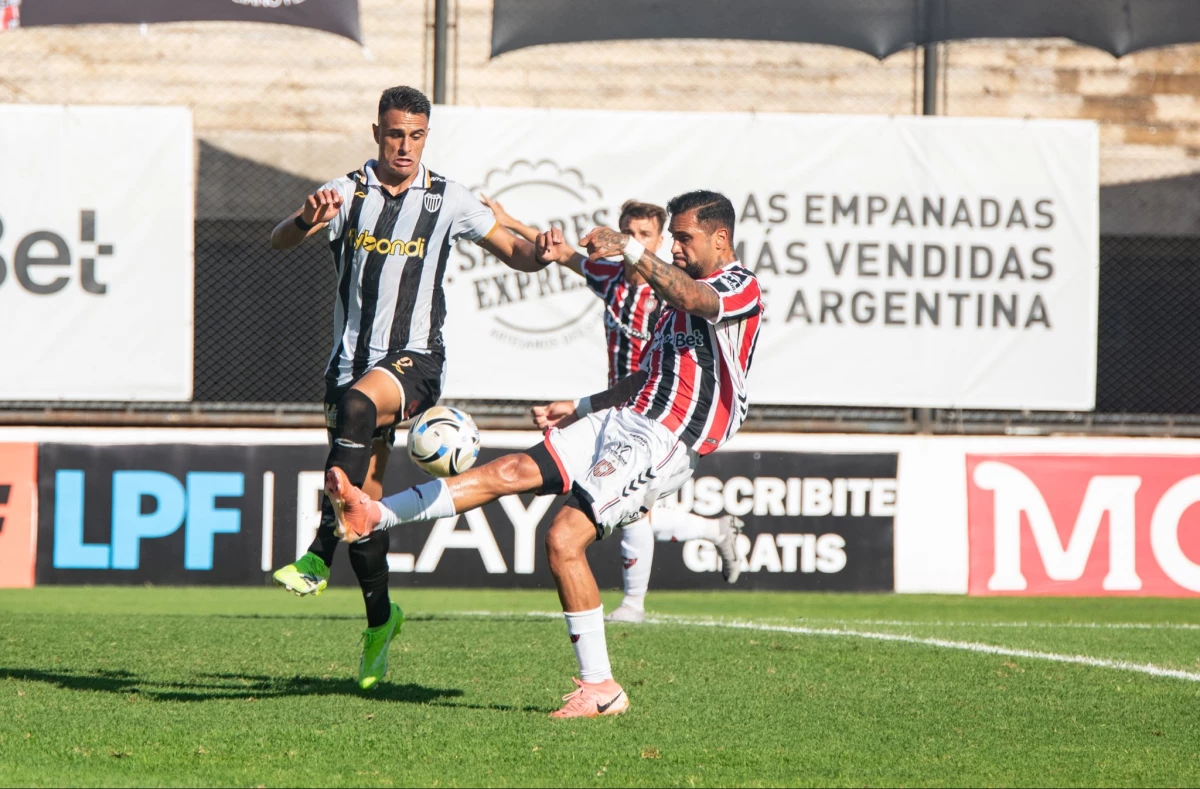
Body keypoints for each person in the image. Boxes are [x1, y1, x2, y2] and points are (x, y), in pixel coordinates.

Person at [325, 190, 763, 717]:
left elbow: (696, 299)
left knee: (562, 539)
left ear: (720, 238)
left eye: (684, 239)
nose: (675, 248)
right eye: (671, 239)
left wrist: (627, 246)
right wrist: (578, 406)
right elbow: (645, 378)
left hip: (665, 440)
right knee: (508, 470)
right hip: (619, 420)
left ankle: (601, 687)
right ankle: (375, 514)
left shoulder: (740, 286)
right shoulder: (667, 304)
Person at [267, 86, 546, 691]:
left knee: (360, 406)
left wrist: (541, 255)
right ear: (377, 133)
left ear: (426, 136)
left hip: (415, 363)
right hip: (347, 364)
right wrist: (304, 220)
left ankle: (316, 552)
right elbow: (279, 241)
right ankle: (379, 623)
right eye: (395, 134)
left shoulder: (447, 199)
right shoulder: (346, 193)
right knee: (362, 512)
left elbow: (515, 251)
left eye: (416, 135)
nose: (405, 146)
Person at [481, 196, 745, 624]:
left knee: (623, 507)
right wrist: (509, 221)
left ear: (659, 242)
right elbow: (562, 252)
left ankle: (635, 605)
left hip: (657, 410)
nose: (636, 240)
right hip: (617, 403)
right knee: (618, 504)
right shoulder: (611, 279)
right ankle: (711, 531)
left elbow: (696, 303)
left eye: (646, 235)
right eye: (630, 232)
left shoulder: (672, 289)